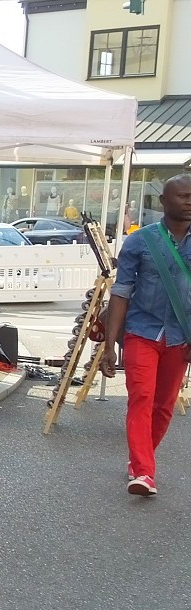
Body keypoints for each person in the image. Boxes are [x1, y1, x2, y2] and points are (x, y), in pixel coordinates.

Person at [100, 173, 191, 497]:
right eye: (182, 196)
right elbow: (121, 292)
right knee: (141, 397)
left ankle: (141, 460)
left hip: (182, 337)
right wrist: (109, 345)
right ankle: (143, 471)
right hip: (142, 331)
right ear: (164, 201)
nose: (189, 201)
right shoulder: (140, 240)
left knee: (164, 406)